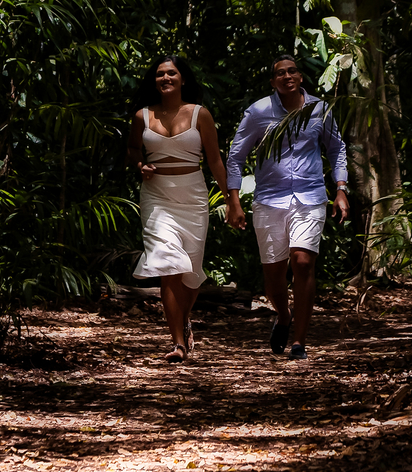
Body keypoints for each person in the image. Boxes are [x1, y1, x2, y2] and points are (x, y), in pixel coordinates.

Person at [225, 55, 349, 360]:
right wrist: (234, 201)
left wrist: (341, 190)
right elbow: (235, 157)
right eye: (279, 73)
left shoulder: (319, 109)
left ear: (300, 77)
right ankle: (283, 315)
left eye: (292, 70)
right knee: (274, 276)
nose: (286, 76)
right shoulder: (258, 112)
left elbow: (336, 149)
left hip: (310, 196)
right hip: (269, 200)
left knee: (303, 262)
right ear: (273, 82)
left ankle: (299, 342)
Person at [127, 56, 229, 363]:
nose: (165, 78)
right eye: (160, 74)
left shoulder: (200, 115)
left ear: (183, 79)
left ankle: (183, 320)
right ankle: (178, 343)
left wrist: (231, 200)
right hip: (156, 197)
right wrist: (139, 165)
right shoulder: (142, 116)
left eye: (172, 73)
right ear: (154, 81)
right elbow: (133, 150)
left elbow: (215, 161)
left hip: (194, 198)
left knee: (191, 273)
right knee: (168, 264)